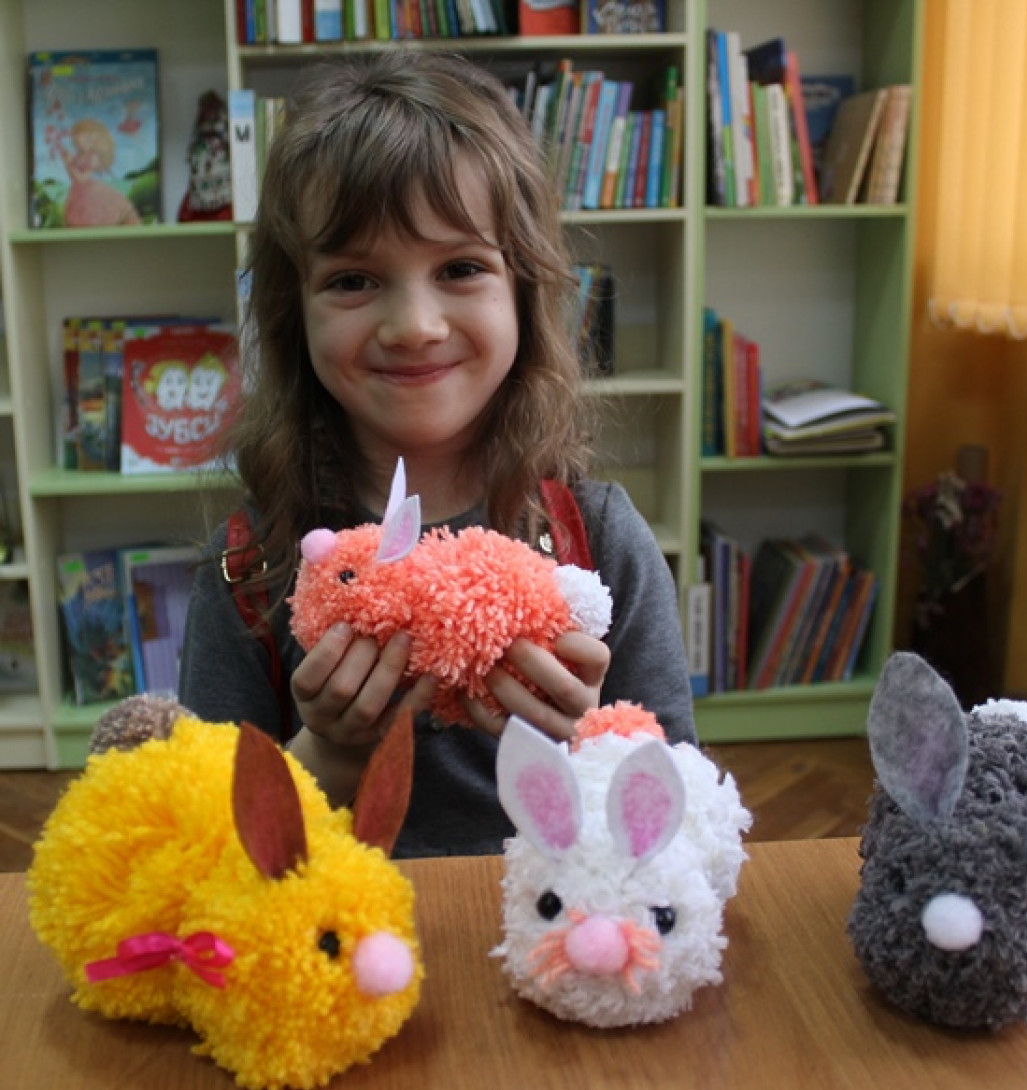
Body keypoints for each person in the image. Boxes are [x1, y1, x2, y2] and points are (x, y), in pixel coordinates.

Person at [178, 50, 697, 858]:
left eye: (460, 268)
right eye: (353, 280)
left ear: (524, 290)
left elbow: (683, 827)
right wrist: (331, 753)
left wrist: (593, 736)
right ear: (293, 311)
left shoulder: (598, 544)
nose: (414, 326)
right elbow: (206, 854)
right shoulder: (250, 571)